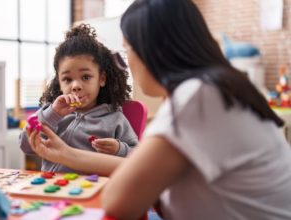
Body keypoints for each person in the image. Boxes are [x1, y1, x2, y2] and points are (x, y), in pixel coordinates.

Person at [27, 0, 291, 219]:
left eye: (126, 51)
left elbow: (120, 200)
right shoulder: (218, 86)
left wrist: (70, 155)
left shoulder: (198, 97)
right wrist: (67, 154)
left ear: (151, 50)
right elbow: (140, 171)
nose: (126, 63)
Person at [20, 24, 138, 173]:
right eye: (68, 79)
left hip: (90, 190)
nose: (76, 85)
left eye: (86, 77)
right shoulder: (52, 114)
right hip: (52, 187)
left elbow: (138, 159)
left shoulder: (115, 119)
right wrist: (52, 114)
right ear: (59, 82)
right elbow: (25, 145)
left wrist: (119, 149)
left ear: (101, 79)